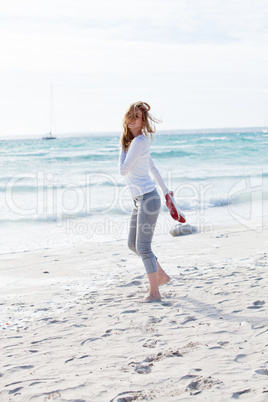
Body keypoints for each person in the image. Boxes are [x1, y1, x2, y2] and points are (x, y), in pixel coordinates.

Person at [118, 101, 171, 302]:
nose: (133, 120)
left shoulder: (138, 141)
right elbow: (153, 169)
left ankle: (155, 292)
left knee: (143, 247)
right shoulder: (136, 143)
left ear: (142, 121)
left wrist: (121, 147)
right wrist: (166, 192)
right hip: (140, 200)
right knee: (133, 245)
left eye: (137, 117)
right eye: (130, 115)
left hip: (148, 199)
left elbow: (123, 170)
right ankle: (162, 276)